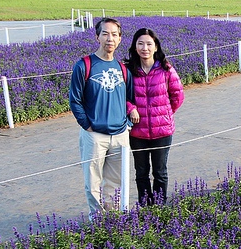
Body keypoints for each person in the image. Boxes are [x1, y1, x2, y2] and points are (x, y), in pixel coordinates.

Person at [69, 17, 133, 217]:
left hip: (120, 134)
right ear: (97, 37)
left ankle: (113, 217)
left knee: (117, 180)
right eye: (105, 33)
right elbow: (74, 100)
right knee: (93, 180)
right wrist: (87, 125)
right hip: (94, 134)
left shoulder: (122, 68)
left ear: (120, 39)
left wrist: (128, 123)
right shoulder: (84, 65)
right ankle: (97, 219)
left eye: (114, 34)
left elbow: (129, 98)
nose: (109, 39)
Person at [124, 28, 185, 206]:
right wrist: (130, 108)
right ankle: (145, 207)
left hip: (162, 132)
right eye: (140, 43)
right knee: (141, 172)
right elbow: (121, 96)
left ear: (156, 47)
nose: (145, 48)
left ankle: (159, 207)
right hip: (137, 132)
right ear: (135, 47)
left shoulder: (166, 69)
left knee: (160, 172)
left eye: (149, 44)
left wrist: (164, 114)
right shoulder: (128, 70)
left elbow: (178, 95)